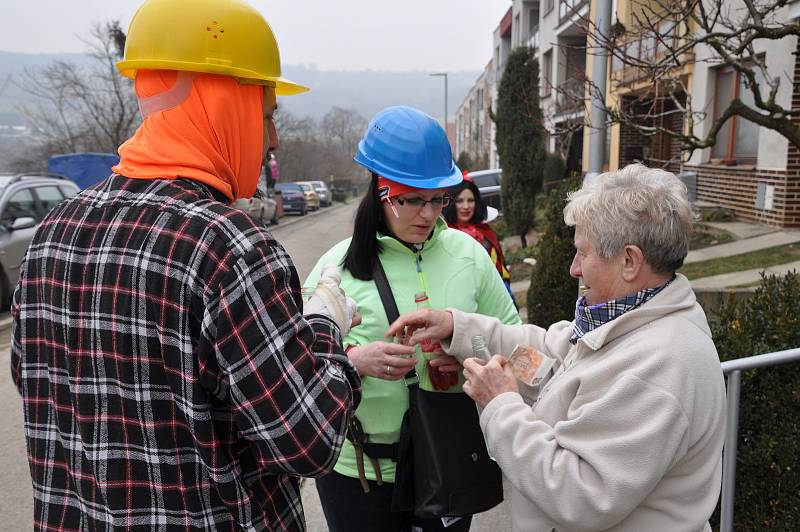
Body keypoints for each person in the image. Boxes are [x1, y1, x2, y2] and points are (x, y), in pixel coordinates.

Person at [10, 0, 361, 530]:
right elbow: (307, 440)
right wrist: (325, 326)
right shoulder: (229, 247)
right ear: (225, 103)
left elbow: (36, 384)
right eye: (266, 115)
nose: (273, 139)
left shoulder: (52, 233)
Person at [388, 164, 727, 532]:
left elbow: (579, 494)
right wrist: (459, 329)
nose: (573, 268)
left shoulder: (659, 368)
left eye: (583, 253)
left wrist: (501, 407)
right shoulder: (625, 320)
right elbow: (546, 360)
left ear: (629, 261)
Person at [304, 106, 521, 532]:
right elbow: (294, 363)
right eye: (412, 200)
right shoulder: (337, 267)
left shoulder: (470, 255)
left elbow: (522, 350)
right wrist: (354, 360)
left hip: (449, 460)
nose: (429, 213)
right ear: (380, 193)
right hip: (359, 474)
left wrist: (470, 362)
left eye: (438, 198)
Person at [442, 175, 514, 301]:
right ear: (451, 203)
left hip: (494, 294)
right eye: (460, 201)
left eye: (471, 200)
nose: (466, 206)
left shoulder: (486, 231)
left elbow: (499, 267)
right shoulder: (443, 234)